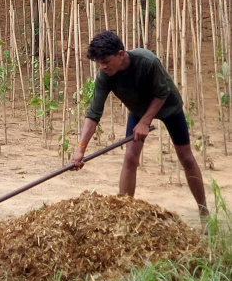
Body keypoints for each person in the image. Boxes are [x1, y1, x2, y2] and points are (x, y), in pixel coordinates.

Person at [71, 30, 208, 218]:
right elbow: (93, 114)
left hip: (169, 107)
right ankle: (124, 214)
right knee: (130, 157)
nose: (102, 67)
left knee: (186, 157)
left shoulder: (147, 61)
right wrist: (80, 149)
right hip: (138, 110)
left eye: (105, 62)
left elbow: (162, 93)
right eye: (99, 63)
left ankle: (204, 212)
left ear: (120, 55)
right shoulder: (105, 75)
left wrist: (145, 121)